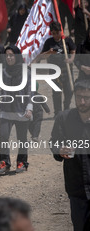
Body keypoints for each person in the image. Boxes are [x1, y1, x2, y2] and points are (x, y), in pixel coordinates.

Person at [50, 79, 90, 231]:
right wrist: (60, 150)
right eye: (79, 97)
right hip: (76, 188)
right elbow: (54, 143)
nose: (82, 101)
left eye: (86, 98)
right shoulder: (64, 118)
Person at [0, 46, 33, 176]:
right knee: (4, 137)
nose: (9, 58)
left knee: (22, 138)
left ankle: (22, 162)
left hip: (21, 110)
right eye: (7, 55)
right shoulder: (3, 71)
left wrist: (29, 107)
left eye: (11, 55)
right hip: (6, 110)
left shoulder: (26, 72)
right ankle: (4, 163)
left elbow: (30, 90)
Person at [38, 21, 76, 117]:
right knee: (56, 92)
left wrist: (71, 59)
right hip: (54, 71)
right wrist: (49, 53)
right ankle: (58, 112)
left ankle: (66, 108)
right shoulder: (49, 42)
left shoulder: (67, 40)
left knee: (69, 91)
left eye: (57, 33)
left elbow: (73, 50)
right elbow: (43, 56)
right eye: (53, 33)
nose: (55, 35)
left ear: (60, 31)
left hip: (66, 70)